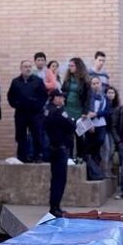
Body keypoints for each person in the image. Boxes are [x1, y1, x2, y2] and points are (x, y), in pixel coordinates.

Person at [7, 60, 48, 162]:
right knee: (21, 136)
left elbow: (44, 96)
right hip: (21, 113)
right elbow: (10, 96)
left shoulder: (38, 81)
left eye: (30, 66)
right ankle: (22, 157)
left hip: (35, 114)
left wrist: (37, 106)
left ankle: (37, 156)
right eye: (25, 66)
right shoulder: (15, 82)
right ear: (21, 68)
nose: (28, 68)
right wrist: (16, 104)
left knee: (37, 135)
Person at [44, 89, 75, 217]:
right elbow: (72, 125)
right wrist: (72, 120)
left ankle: (54, 206)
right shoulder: (58, 111)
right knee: (60, 179)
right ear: (55, 98)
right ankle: (55, 207)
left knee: (55, 179)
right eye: (61, 97)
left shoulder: (47, 110)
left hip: (53, 148)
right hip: (59, 149)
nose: (63, 99)